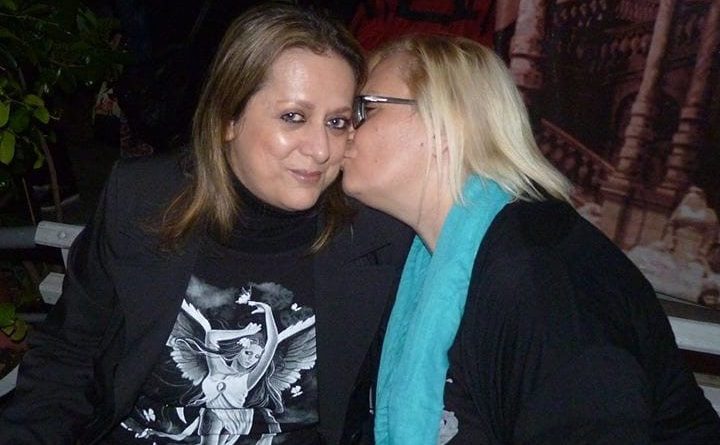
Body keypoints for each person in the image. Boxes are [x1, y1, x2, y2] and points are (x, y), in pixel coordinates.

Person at [0, 5, 411, 445]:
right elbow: (67, 357)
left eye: (337, 122)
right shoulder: (143, 200)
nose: (321, 148)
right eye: (293, 117)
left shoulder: (375, 235)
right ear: (227, 119)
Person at [341, 34, 720, 444]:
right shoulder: (433, 258)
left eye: (366, 109)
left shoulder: (541, 275)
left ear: (447, 123)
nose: (347, 131)